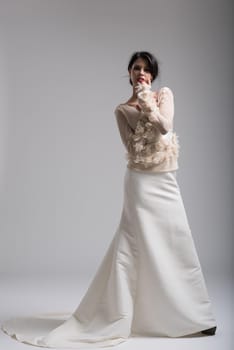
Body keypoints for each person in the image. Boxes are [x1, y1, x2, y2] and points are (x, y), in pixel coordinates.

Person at [1, 51, 217, 348]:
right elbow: (132, 148)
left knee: (176, 239)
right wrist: (138, 108)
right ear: (129, 73)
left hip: (166, 180)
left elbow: (166, 126)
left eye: (146, 69)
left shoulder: (164, 95)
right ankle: (124, 311)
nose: (141, 73)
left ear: (152, 75)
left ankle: (195, 316)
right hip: (139, 182)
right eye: (136, 68)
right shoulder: (120, 110)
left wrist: (147, 103)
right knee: (136, 244)